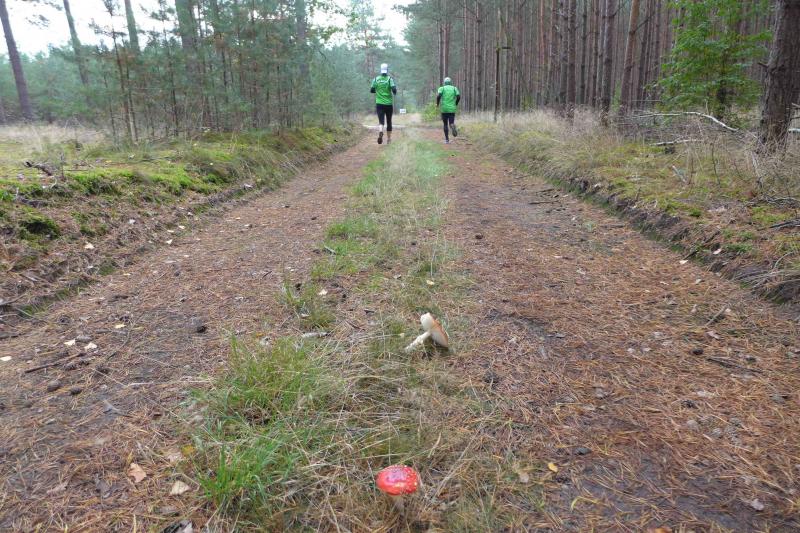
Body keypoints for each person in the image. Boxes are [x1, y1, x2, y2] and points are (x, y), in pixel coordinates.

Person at [370, 63, 397, 145]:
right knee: (389, 121)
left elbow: (371, 90)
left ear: (381, 70)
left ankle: (381, 131)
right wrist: (394, 92)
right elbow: (394, 90)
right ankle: (388, 139)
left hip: (379, 103)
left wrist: (378, 91)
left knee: (381, 121)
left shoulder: (376, 79)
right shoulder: (389, 79)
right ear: (387, 70)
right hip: (388, 104)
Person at [436, 77, 461, 144]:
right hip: (452, 109)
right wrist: (456, 103)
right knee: (451, 122)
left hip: (444, 109)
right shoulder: (454, 88)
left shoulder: (442, 88)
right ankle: (452, 125)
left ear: (444, 82)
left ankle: (447, 140)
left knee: (445, 124)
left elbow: (438, 96)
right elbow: (458, 96)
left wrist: (437, 104)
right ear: (450, 82)